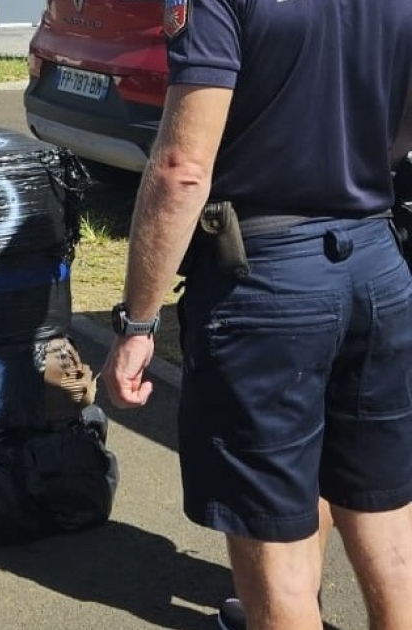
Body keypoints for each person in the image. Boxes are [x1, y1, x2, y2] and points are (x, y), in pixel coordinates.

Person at [100, 1, 412, 629]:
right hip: (378, 266)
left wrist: (137, 326)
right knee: (386, 515)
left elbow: (182, 168)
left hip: (266, 282)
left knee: (274, 552)